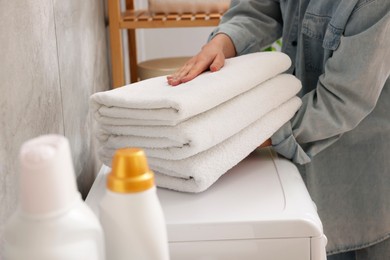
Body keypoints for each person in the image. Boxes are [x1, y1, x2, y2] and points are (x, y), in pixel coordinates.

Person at [167, 0, 390, 259]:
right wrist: (222, 42)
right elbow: (259, 7)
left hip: (362, 179)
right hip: (300, 168)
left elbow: (342, 100)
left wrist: (241, 135)